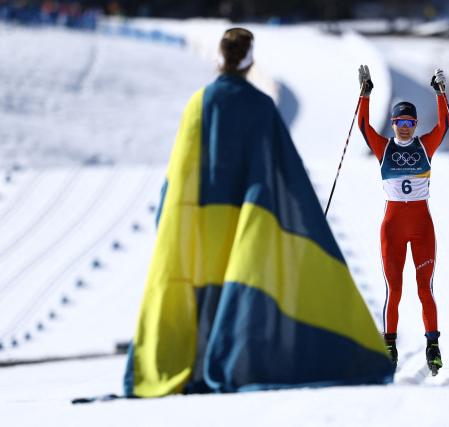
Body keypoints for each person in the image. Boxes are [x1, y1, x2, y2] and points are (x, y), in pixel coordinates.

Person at [122, 29, 394, 398]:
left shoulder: (199, 103)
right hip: (248, 220)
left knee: (204, 292)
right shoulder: (261, 107)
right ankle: (231, 362)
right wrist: (305, 217)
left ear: (219, 58)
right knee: (241, 294)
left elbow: (179, 172)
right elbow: (285, 171)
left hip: (202, 221)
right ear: (250, 60)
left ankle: (198, 367)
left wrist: (168, 220)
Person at [357, 64, 449, 375]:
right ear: (394, 124)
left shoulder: (425, 145)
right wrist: (364, 94)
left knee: (425, 288)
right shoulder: (384, 147)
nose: (405, 127)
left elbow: (444, 125)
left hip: (422, 227)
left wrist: (441, 94)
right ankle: (389, 344)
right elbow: (364, 127)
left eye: (409, 122)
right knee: (393, 289)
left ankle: (433, 344)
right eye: (400, 122)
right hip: (392, 228)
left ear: (415, 123)